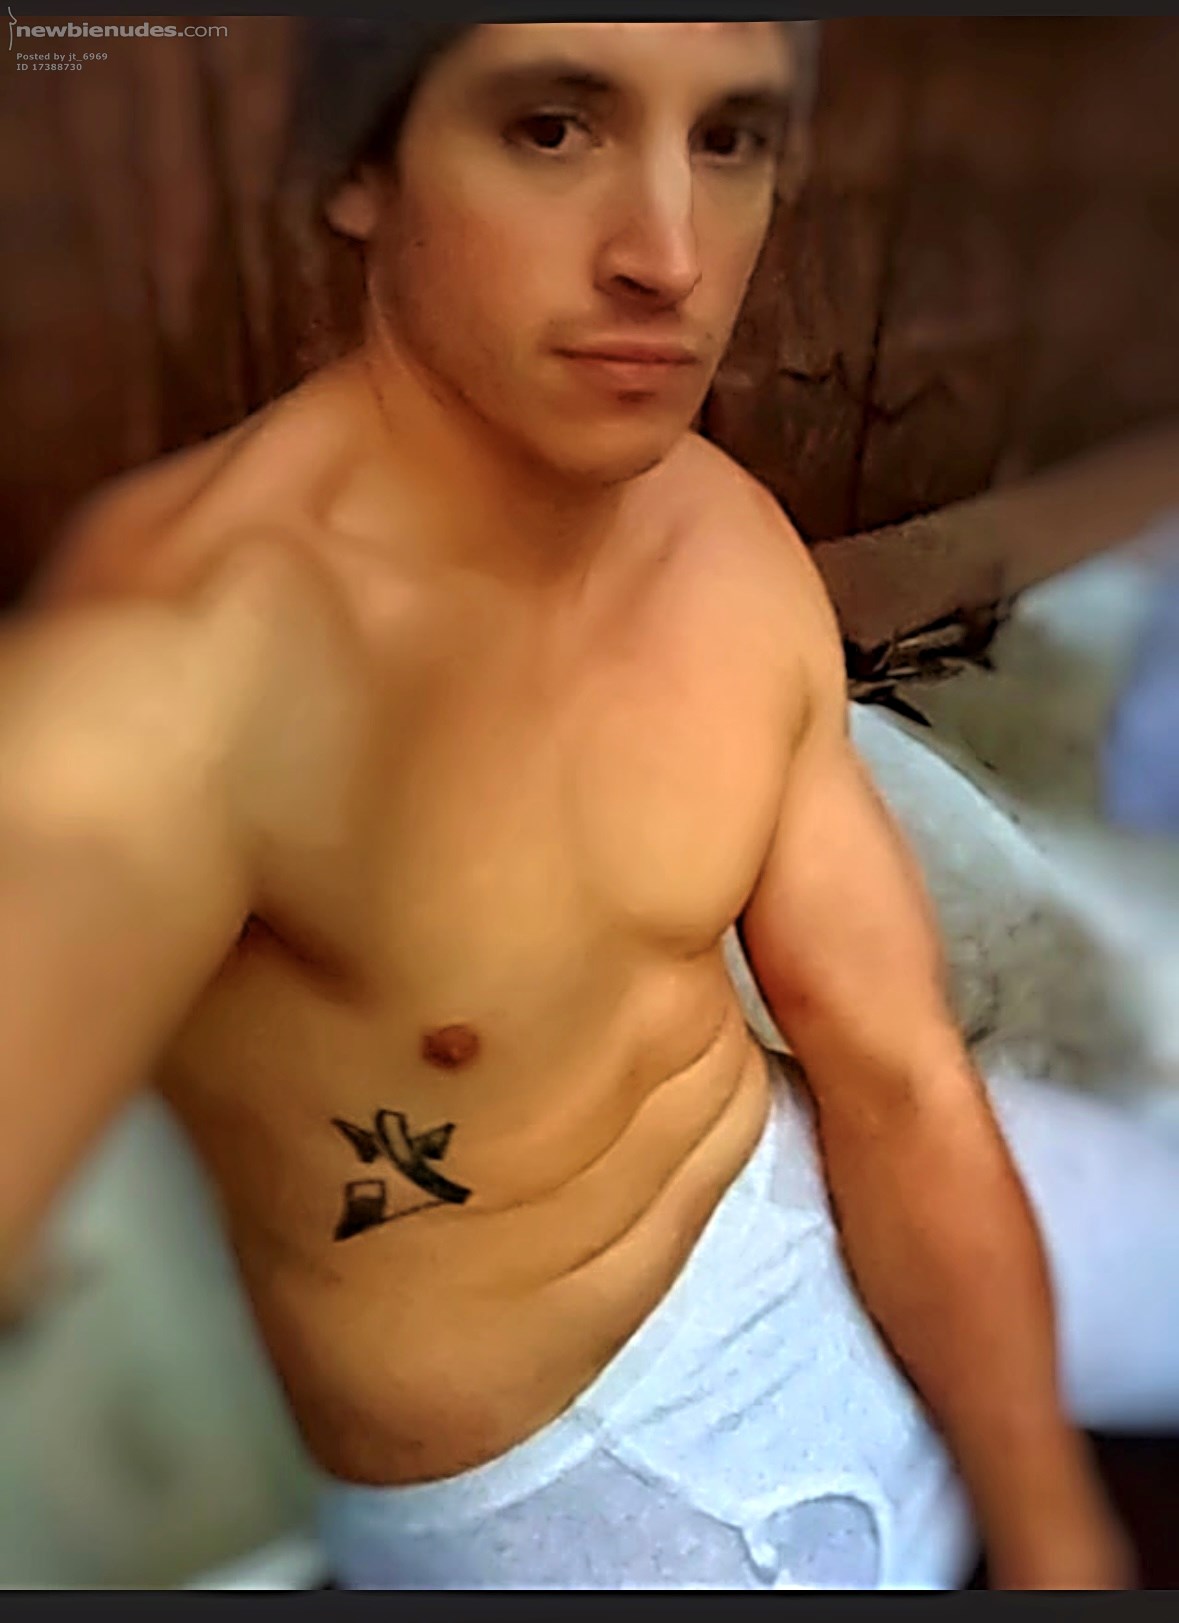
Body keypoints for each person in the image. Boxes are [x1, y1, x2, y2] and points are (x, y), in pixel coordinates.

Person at [2, 19, 1176, 1591]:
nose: (668, 258)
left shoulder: (716, 533)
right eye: (554, 130)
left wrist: (1050, 1526)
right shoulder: (188, 664)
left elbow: (898, 1080)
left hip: (800, 1187)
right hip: (584, 1485)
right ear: (360, 168)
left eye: (728, 140)